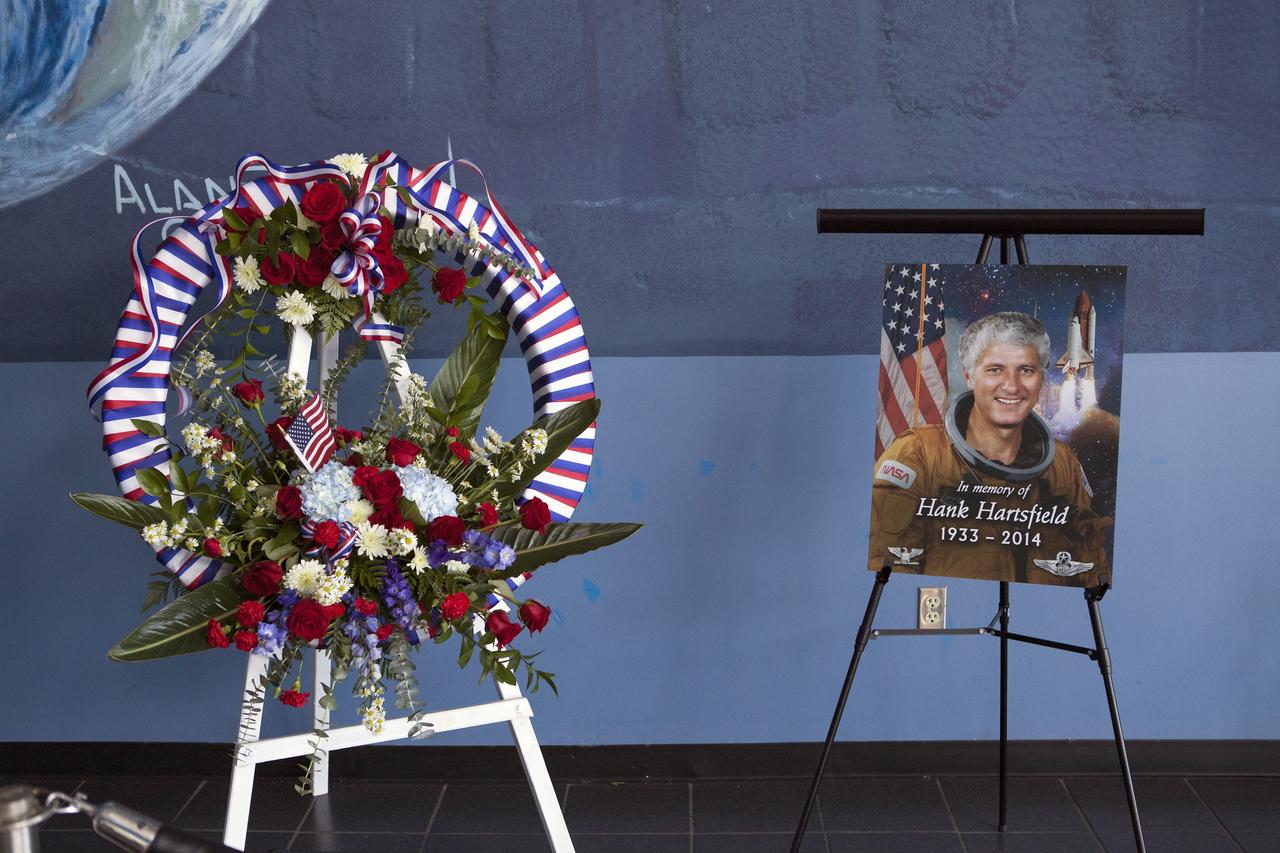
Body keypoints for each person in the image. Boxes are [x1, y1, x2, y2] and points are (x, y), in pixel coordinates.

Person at [868, 312, 1111, 586]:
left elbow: (1090, 564)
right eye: (995, 369)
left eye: (1026, 370)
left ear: (1041, 380)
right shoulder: (918, 456)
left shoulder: (1062, 465)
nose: (1011, 386)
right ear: (969, 376)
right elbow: (890, 566)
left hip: (1039, 605)